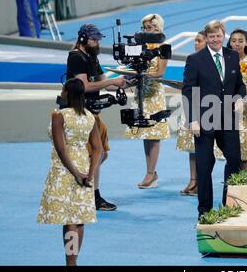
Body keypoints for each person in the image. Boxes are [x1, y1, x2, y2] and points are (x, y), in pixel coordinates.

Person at [182, 20, 246, 218]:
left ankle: (229, 203)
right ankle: (204, 210)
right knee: (204, 165)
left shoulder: (232, 56)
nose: (216, 40)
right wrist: (192, 119)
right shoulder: (195, 59)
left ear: (223, 35)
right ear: (207, 38)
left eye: (218, 36)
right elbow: (188, 91)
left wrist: (240, 98)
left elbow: (239, 85)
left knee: (234, 160)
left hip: (228, 118)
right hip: (203, 119)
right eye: (211, 37)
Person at [37, 78, 102, 266]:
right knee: (78, 218)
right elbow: (98, 149)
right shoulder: (90, 116)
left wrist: (75, 173)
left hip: (65, 169)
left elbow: (61, 149)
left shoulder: (58, 115)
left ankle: (70, 263)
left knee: (69, 220)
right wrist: (90, 173)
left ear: (67, 93)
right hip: (83, 166)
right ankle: (73, 261)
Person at [66, 23, 126, 211]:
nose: (97, 42)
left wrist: (125, 83)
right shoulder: (76, 57)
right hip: (80, 113)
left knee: (101, 154)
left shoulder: (91, 57)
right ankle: (92, 195)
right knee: (93, 154)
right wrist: (111, 81)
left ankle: (88, 190)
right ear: (83, 38)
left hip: (92, 114)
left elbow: (103, 84)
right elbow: (83, 86)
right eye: (94, 39)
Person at [125, 14, 171, 189]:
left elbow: (160, 72)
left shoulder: (163, 47)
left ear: (158, 28)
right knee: (145, 134)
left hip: (154, 92)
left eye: (149, 28)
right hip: (141, 92)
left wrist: (142, 75)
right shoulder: (140, 46)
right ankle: (151, 172)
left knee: (154, 133)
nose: (146, 31)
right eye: (144, 28)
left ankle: (151, 173)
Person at [214, 29, 247, 168]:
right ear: (229, 43)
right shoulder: (222, 61)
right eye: (233, 41)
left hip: (244, 108)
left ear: (246, 43)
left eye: (240, 41)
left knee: (245, 152)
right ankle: (232, 184)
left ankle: (243, 185)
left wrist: (239, 102)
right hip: (226, 107)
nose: (236, 44)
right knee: (229, 151)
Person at [176, 31, 207, 196]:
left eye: (199, 40)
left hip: (208, 107)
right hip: (191, 105)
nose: (196, 43)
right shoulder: (192, 59)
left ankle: (202, 181)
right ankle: (193, 180)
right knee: (191, 146)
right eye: (195, 41)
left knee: (205, 148)